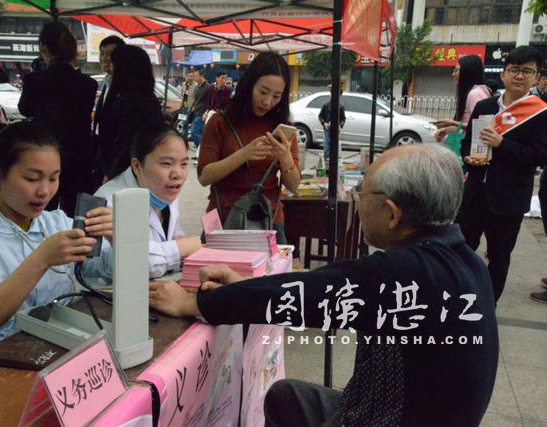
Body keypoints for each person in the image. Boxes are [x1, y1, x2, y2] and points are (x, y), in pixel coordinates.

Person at [150, 143, 498, 427]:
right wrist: (241, 285)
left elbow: (315, 293)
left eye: (362, 191)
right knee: (286, 396)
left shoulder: (405, 273)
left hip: (384, 419)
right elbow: (315, 292)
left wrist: (191, 304)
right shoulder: (466, 262)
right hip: (386, 407)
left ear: (392, 214)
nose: (358, 198)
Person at [0, 121, 114, 385]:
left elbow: (107, 271)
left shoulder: (57, 223)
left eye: (54, 178)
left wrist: (116, 237)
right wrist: (40, 260)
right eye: (32, 178)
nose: (45, 191)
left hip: (52, 360)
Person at [457, 45, 547, 302]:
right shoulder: (485, 105)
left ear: (536, 76)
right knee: (461, 250)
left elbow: (539, 155)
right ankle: (456, 300)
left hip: (508, 200)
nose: (519, 76)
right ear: (505, 73)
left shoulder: (541, 112)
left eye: (527, 71)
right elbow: (468, 141)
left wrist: (502, 144)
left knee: (498, 258)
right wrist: (466, 156)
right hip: (475, 192)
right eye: (515, 70)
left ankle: (487, 308)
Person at [197, 52, 300, 244]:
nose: (268, 102)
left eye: (276, 96)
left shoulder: (282, 128)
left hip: (268, 221)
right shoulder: (220, 122)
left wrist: (285, 157)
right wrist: (244, 154)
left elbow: (293, 185)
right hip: (223, 219)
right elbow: (204, 176)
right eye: (263, 92)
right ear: (249, 85)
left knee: (269, 275)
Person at [95, 124, 201, 278]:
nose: (177, 173)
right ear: (137, 166)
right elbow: (128, 263)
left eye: (184, 164)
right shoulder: (109, 203)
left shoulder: (164, 193)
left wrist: (174, 249)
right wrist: (180, 249)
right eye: (166, 164)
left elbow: (175, 239)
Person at [18, 21, 97, 217]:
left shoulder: (35, 81)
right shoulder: (88, 84)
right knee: (75, 219)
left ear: (43, 47)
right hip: (78, 158)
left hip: (43, 157)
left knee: (42, 215)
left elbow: (25, 109)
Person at [98, 44, 164, 180]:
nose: (112, 68)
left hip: (127, 175)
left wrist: (112, 174)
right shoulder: (147, 98)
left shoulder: (130, 101)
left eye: (115, 65)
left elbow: (127, 144)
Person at [92, 35, 125, 186]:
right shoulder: (106, 82)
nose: (105, 58)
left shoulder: (124, 89)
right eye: (102, 53)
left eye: (110, 54)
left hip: (114, 162)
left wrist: (112, 170)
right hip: (100, 155)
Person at [435, 55, 491, 141]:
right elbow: (468, 124)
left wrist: (452, 122)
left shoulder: (475, 94)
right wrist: (446, 130)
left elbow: (482, 125)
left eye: (456, 70)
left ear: (468, 72)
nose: (453, 74)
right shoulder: (473, 92)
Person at [318, 94, 346, 161]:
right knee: (326, 145)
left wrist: (340, 125)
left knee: (334, 146)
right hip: (327, 129)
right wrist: (324, 123)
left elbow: (343, 119)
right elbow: (320, 116)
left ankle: (333, 161)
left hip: (336, 130)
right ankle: (326, 160)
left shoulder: (341, 106)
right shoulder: (326, 105)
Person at [190, 69, 210, 155]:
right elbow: (195, 99)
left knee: (194, 131)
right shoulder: (197, 86)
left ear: (201, 76)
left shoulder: (208, 87)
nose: (194, 78)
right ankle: (201, 153)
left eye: (196, 76)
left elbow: (210, 101)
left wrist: (206, 112)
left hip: (202, 113)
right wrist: (192, 107)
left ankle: (203, 150)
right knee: (200, 133)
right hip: (196, 111)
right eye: (194, 76)